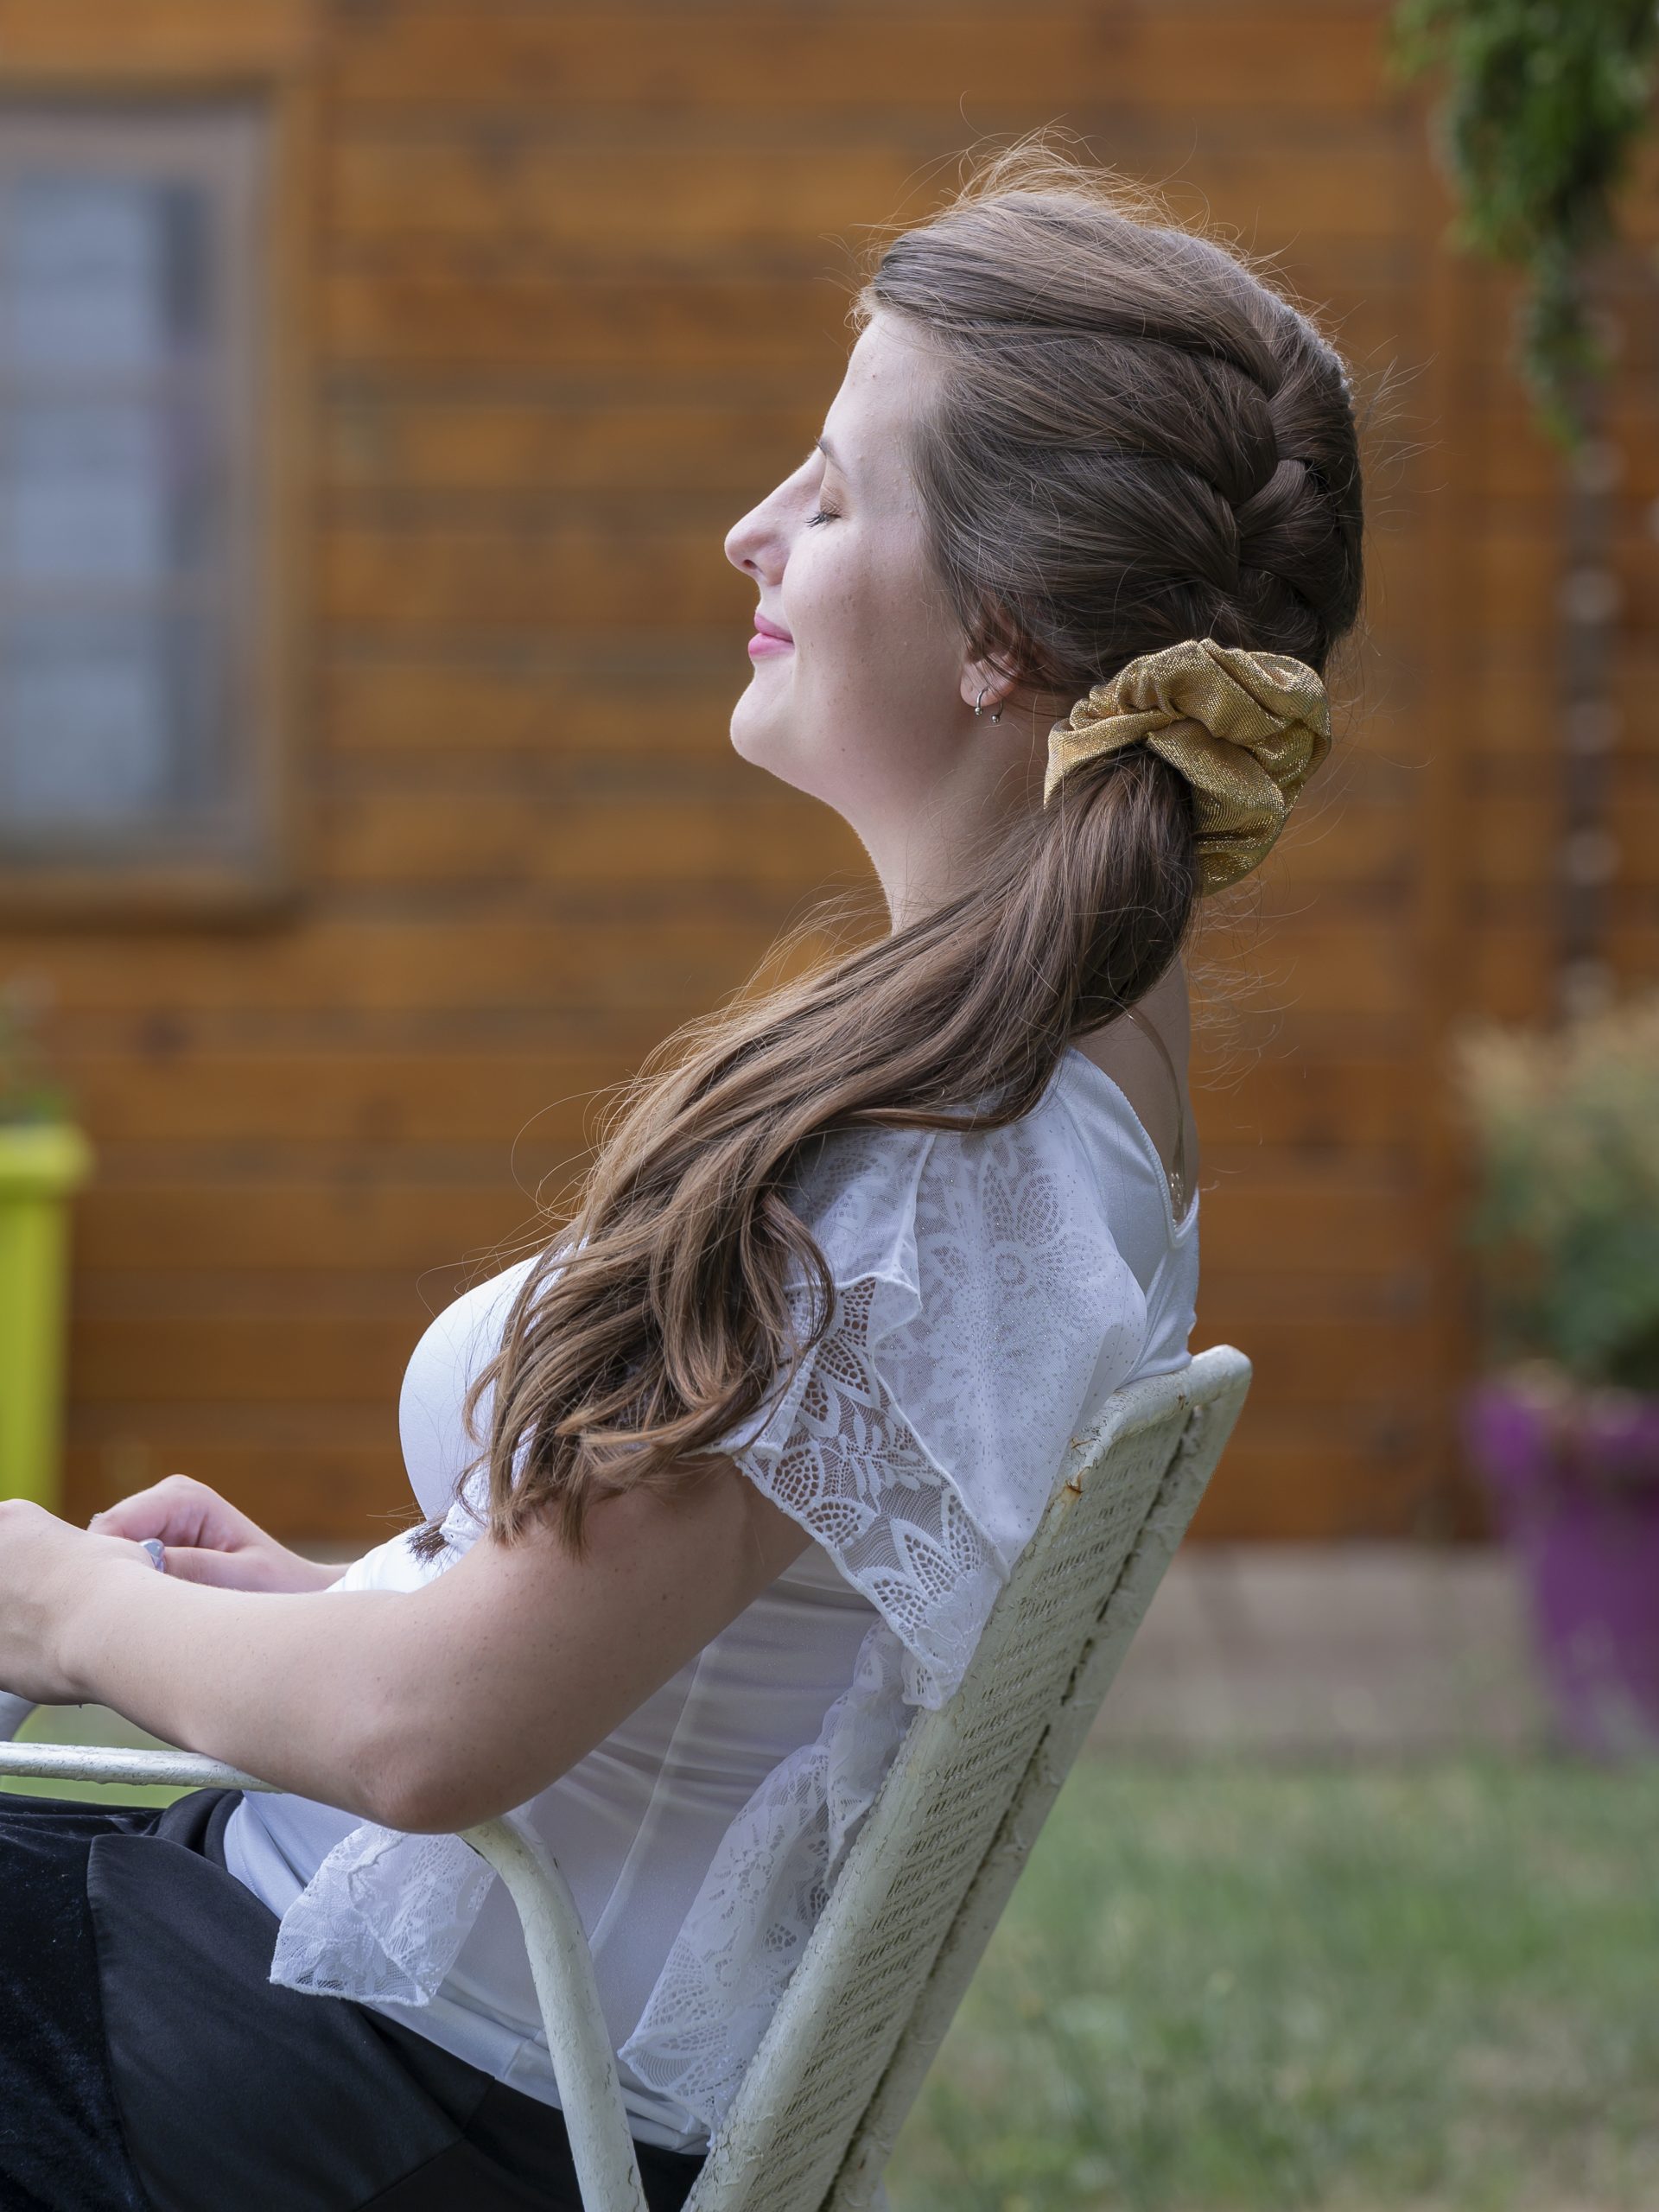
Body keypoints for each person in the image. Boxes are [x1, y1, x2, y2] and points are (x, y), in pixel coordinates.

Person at [0, 143, 1363, 2210]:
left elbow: (428, 1740)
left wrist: (61, 1596)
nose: (754, 526)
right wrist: (350, 1598)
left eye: (833, 489)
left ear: (998, 633)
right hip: (381, 2024)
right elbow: (682, 1657)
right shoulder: (1051, 1119)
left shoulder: (920, 1171)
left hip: (346, 2098)